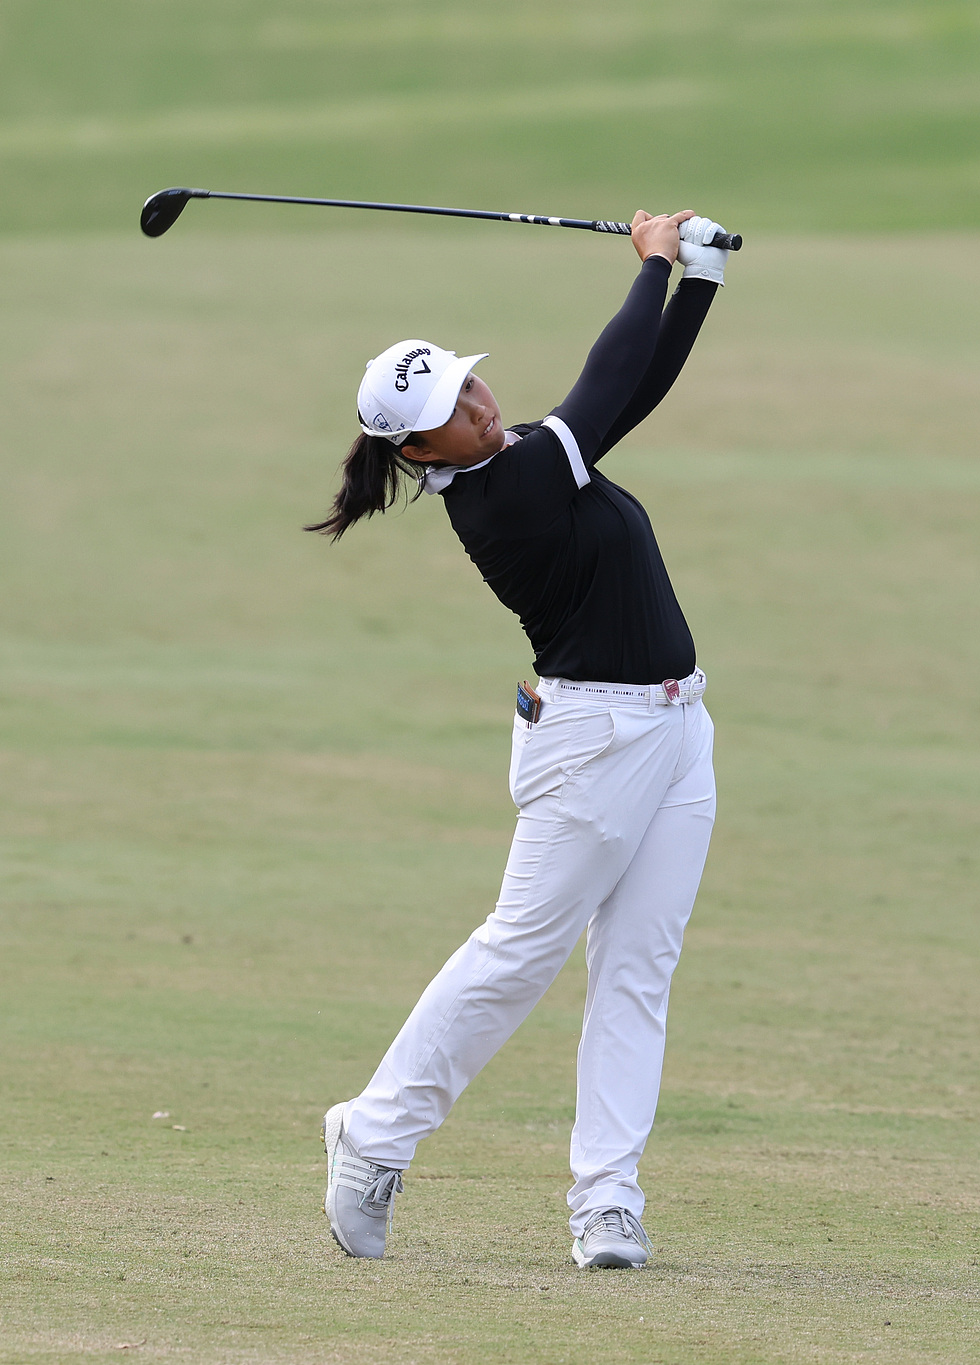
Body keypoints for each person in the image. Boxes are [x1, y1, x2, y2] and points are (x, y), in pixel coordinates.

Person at [306, 209, 728, 1269]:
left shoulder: (529, 454)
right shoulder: (507, 494)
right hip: (592, 741)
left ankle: (606, 1201)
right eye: (452, 407)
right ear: (416, 450)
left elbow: (632, 389)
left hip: (677, 730)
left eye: (471, 383)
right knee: (518, 955)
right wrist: (651, 265)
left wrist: (700, 281)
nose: (479, 405)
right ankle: (372, 1134)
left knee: (637, 968)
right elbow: (610, 366)